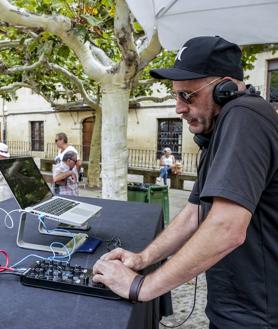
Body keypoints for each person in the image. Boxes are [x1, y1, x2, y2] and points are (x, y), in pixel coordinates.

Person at [92, 36, 278, 329]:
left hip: (258, 315)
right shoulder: (221, 129)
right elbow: (194, 213)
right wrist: (142, 259)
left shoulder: (245, 116)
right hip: (236, 309)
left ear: (225, 89)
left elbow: (226, 228)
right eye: (176, 96)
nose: (178, 108)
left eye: (187, 95)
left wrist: (143, 287)